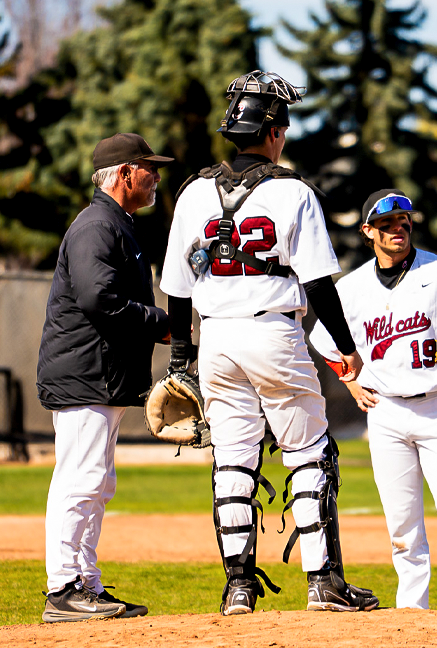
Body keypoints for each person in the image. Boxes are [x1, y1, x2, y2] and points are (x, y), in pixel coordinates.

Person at [160, 71, 378, 616]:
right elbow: (319, 282)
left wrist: (181, 359)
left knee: (232, 457)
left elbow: (177, 289)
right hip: (271, 330)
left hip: (216, 336)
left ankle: (238, 587)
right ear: (275, 131)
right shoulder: (292, 191)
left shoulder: (192, 193)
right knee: (309, 451)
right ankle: (323, 582)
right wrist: (347, 347)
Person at [309, 189, 437, 615]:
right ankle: (411, 613)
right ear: (369, 231)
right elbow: (323, 341)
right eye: (386, 224)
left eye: (404, 221)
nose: (398, 229)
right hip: (385, 412)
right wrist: (351, 382)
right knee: (402, 523)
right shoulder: (351, 288)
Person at [37, 132, 173, 622]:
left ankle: (85, 583)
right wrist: (162, 324)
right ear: (123, 174)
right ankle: (64, 587)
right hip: (84, 375)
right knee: (82, 478)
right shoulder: (97, 225)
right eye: (148, 167)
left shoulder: (117, 224)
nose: (155, 175)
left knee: (97, 480)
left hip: (98, 374)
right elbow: (99, 300)